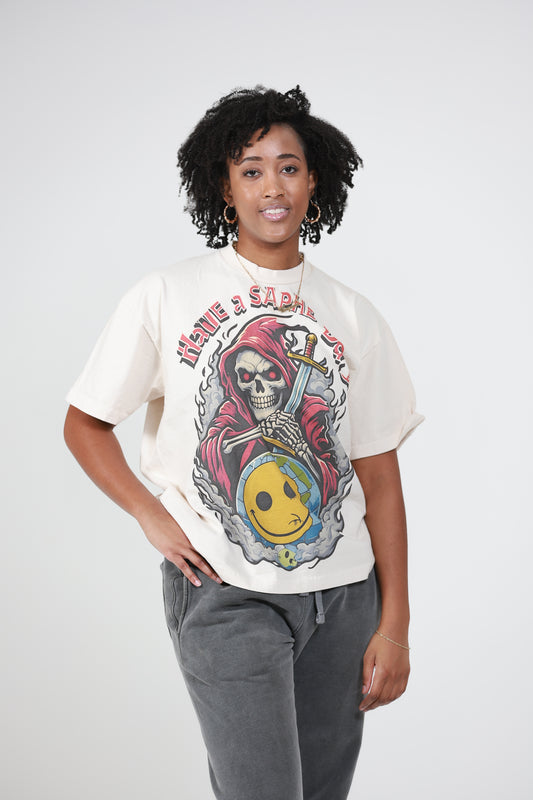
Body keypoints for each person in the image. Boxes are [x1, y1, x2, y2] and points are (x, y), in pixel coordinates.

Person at [64, 86, 423, 800]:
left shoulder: (353, 314)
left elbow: (380, 478)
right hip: (225, 594)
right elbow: (85, 423)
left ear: (314, 180)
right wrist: (149, 513)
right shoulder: (166, 295)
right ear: (224, 188)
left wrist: (395, 623)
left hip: (343, 599)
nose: (272, 187)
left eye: (288, 167)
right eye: (251, 170)